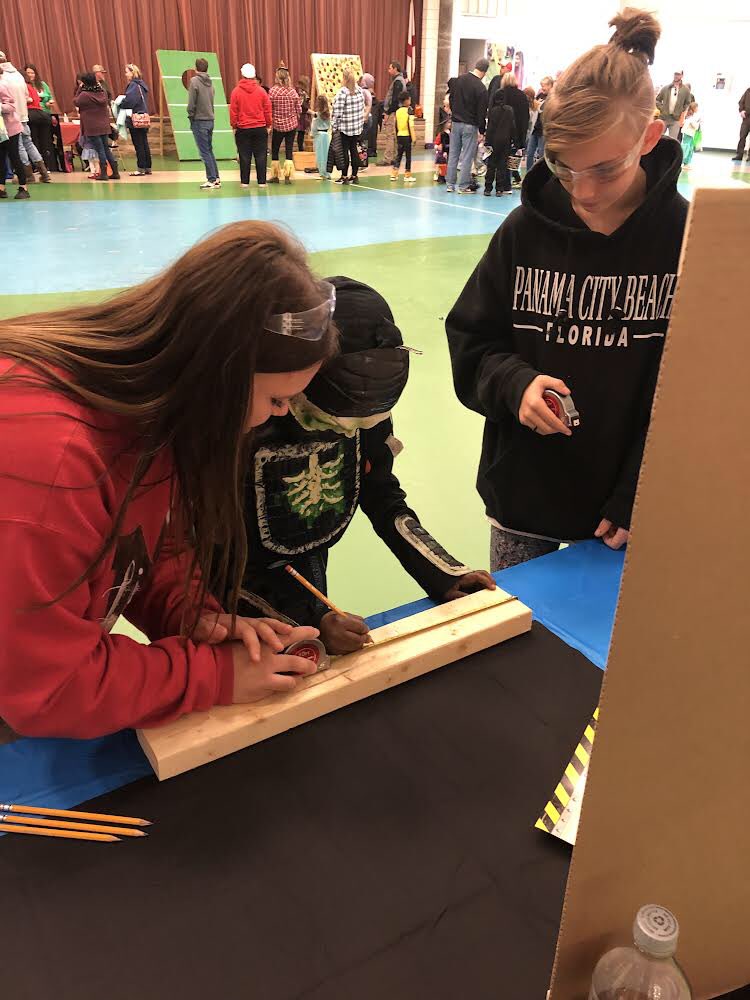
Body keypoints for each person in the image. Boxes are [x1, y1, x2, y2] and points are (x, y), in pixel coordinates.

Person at [0, 221, 338, 740]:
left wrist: (189, 613)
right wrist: (215, 676)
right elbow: (50, 688)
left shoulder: (148, 413)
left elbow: (147, 541)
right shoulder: (48, 462)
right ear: (217, 374)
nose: (277, 417)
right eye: (275, 399)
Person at [446, 7, 688, 571]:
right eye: (562, 166)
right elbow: (472, 341)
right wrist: (516, 385)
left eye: (605, 169)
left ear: (650, 138)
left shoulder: (686, 241)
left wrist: (642, 487)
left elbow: (695, 392)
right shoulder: (523, 232)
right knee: (517, 622)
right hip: (523, 498)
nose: (583, 191)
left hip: (623, 513)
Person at [229, 276, 495, 653]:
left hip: (305, 563)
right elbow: (210, 563)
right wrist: (311, 618)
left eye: (364, 424)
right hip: (227, 593)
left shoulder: (361, 408)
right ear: (300, 382)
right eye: (332, 422)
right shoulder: (248, 422)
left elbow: (380, 493)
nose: (348, 432)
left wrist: (440, 571)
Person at [0, 51, 50, 183]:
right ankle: (44, 172)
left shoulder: (3, 77)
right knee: (28, 142)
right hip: (23, 114)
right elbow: (27, 95)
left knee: (19, 146)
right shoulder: (18, 75)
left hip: (9, 117)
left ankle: (27, 175)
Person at [445, 58, 489, 195]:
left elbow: (451, 98)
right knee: (467, 156)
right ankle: (463, 186)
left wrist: (454, 113)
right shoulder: (481, 88)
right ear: (485, 72)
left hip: (455, 122)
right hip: (470, 125)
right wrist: (482, 130)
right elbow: (481, 112)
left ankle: (450, 184)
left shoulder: (459, 80)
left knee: (453, 154)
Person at [230, 63, 272, 189]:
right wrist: (268, 125)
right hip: (260, 127)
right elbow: (267, 109)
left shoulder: (236, 91)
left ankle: (245, 182)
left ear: (242, 75)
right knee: (261, 155)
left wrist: (234, 126)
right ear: (254, 76)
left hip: (243, 128)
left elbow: (233, 111)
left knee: (244, 155)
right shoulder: (262, 91)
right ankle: (262, 182)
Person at [74, 73, 120, 181]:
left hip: (92, 126)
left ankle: (103, 173)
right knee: (105, 148)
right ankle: (115, 172)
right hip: (104, 125)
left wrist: (79, 89)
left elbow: (76, 101)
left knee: (100, 149)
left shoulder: (84, 95)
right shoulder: (102, 92)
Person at [188, 58, 220, 190]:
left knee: (204, 151)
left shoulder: (194, 81)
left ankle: (211, 179)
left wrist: (190, 115)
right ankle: (216, 178)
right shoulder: (210, 82)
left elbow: (191, 102)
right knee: (209, 150)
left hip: (199, 120)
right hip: (210, 119)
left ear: (196, 68)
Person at [0, 66, 30, 199]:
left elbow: (11, 106)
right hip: (1, 129)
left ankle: (23, 187)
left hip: (10, 128)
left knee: (14, 156)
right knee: (0, 158)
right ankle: (1, 188)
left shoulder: (3, 85)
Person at [332, 68, 365, 185]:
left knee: (344, 152)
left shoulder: (342, 93)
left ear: (344, 78)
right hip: (357, 127)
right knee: (354, 150)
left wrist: (334, 126)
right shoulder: (360, 91)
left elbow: (337, 112)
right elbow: (362, 108)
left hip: (345, 128)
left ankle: (344, 176)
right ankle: (354, 175)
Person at [269, 64, 301, 184]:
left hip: (277, 125)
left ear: (277, 77)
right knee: (289, 150)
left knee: (275, 149)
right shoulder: (292, 92)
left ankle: (275, 176)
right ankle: (287, 177)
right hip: (291, 125)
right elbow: (299, 109)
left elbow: (269, 108)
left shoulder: (273, 91)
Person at [496, 72, 529, 186]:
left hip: (502, 129)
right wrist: (523, 134)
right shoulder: (522, 95)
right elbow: (525, 116)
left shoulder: (500, 94)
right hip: (518, 130)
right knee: (514, 155)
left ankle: (503, 181)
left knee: (502, 156)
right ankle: (511, 179)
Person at [120, 63, 152, 176]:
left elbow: (130, 101)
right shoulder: (142, 85)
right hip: (144, 116)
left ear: (132, 72)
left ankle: (140, 168)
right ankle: (147, 167)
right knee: (144, 142)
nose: (125, 74)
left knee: (138, 143)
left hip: (135, 118)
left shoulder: (133, 85)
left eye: (127, 72)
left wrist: (121, 103)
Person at [23, 64, 56, 172]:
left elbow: (49, 97)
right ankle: (37, 166)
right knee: (33, 140)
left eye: (32, 73)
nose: (30, 75)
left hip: (44, 114)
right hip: (32, 114)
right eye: (28, 73)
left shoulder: (42, 84)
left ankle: (46, 165)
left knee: (45, 140)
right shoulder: (24, 85)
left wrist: (49, 102)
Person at [483, 89, 515, 196]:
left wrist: (487, 142)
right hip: (506, 141)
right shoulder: (510, 110)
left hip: (494, 141)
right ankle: (499, 189)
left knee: (491, 165)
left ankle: (488, 188)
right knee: (502, 165)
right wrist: (514, 140)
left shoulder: (492, 111)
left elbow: (490, 128)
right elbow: (512, 127)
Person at [380, 61, 407, 166]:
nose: (388, 71)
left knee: (390, 135)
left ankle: (388, 158)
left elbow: (395, 99)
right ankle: (395, 157)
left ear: (395, 69)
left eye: (390, 68)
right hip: (397, 112)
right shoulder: (400, 80)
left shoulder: (398, 82)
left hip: (393, 112)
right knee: (394, 135)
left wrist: (388, 112)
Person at [526, 76, 553, 173]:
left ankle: (540, 174)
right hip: (535, 128)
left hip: (543, 130)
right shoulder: (540, 95)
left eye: (544, 86)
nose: (542, 88)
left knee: (541, 154)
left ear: (550, 85)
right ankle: (529, 173)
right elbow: (534, 108)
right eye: (541, 86)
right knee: (529, 153)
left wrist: (538, 106)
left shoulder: (553, 97)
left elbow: (545, 110)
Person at [655, 71, 691, 140]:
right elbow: (657, 100)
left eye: (678, 74)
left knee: (673, 140)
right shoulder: (665, 88)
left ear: (682, 75)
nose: (676, 76)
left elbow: (688, 102)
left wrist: (681, 110)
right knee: (658, 139)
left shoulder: (685, 90)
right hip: (664, 117)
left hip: (675, 119)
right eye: (675, 74)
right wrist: (662, 108)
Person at [391, 91, 416, 183]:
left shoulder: (397, 111)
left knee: (399, 155)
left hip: (399, 136)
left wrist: (396, 135)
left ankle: (394, 174)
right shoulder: (409, 111)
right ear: (406, 101)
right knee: (408, 156)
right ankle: (407, 175)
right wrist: (414, 138)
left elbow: (395, 125)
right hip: (407, 136)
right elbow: (411, 125)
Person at [313, 94, 332, 179]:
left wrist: (312, 134)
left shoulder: (316, 115)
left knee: (320, 155)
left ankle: (322, 172)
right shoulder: (328, 114)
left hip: (319, 135)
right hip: (326, 135)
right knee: (327, 155)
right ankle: (327, 172)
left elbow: (314, 127)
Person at [680, 102, 701, 169]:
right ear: (694, 108)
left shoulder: (692, 116)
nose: (697, 109)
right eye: (696, 107)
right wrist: (698, 125)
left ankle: (686, 163)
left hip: (691, 134)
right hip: (688, 134)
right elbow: (694, 125)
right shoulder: (690, 116)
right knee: (686, 148)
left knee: (690, 148)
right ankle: (682, 162)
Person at [732, 85, 750, 162]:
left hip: (747, 115)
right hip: (746, 119)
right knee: (742, 137)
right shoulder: (748, 91)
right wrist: (741, 110)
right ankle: (739, 155)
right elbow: (741, 102)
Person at [296, 75, 312, 152]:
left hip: (302, 114)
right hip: (301, 115)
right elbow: (302, 105)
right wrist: (310, 111)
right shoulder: (302, 93)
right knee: (301, 133)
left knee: (301, 133)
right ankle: (300, 149)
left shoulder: (301, 92)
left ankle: (301, 148)